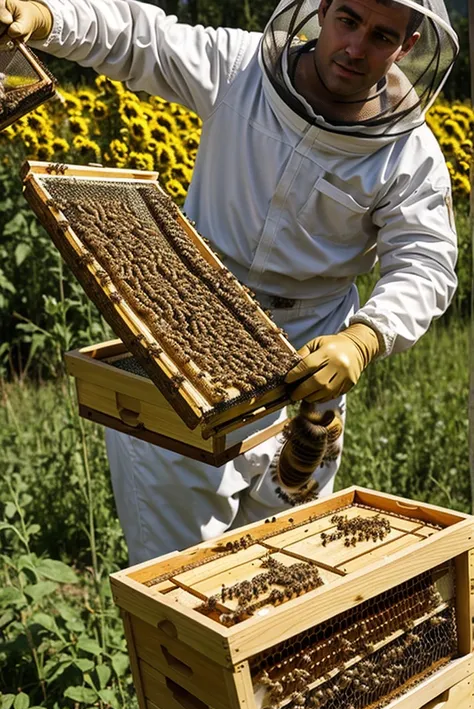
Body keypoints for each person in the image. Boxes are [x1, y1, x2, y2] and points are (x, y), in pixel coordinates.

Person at [0, 0, 459, 564]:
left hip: (308, 363)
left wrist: (365, 337)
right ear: (320, 9)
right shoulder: (240, 69)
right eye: (347, 21)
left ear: (408, 47)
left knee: (282, 569)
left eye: (382, 35)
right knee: (178, 579)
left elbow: (427, 261)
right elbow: (141, 38)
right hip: (184, 343)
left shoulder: (408, 154)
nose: (356, 47)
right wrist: (45, 17)